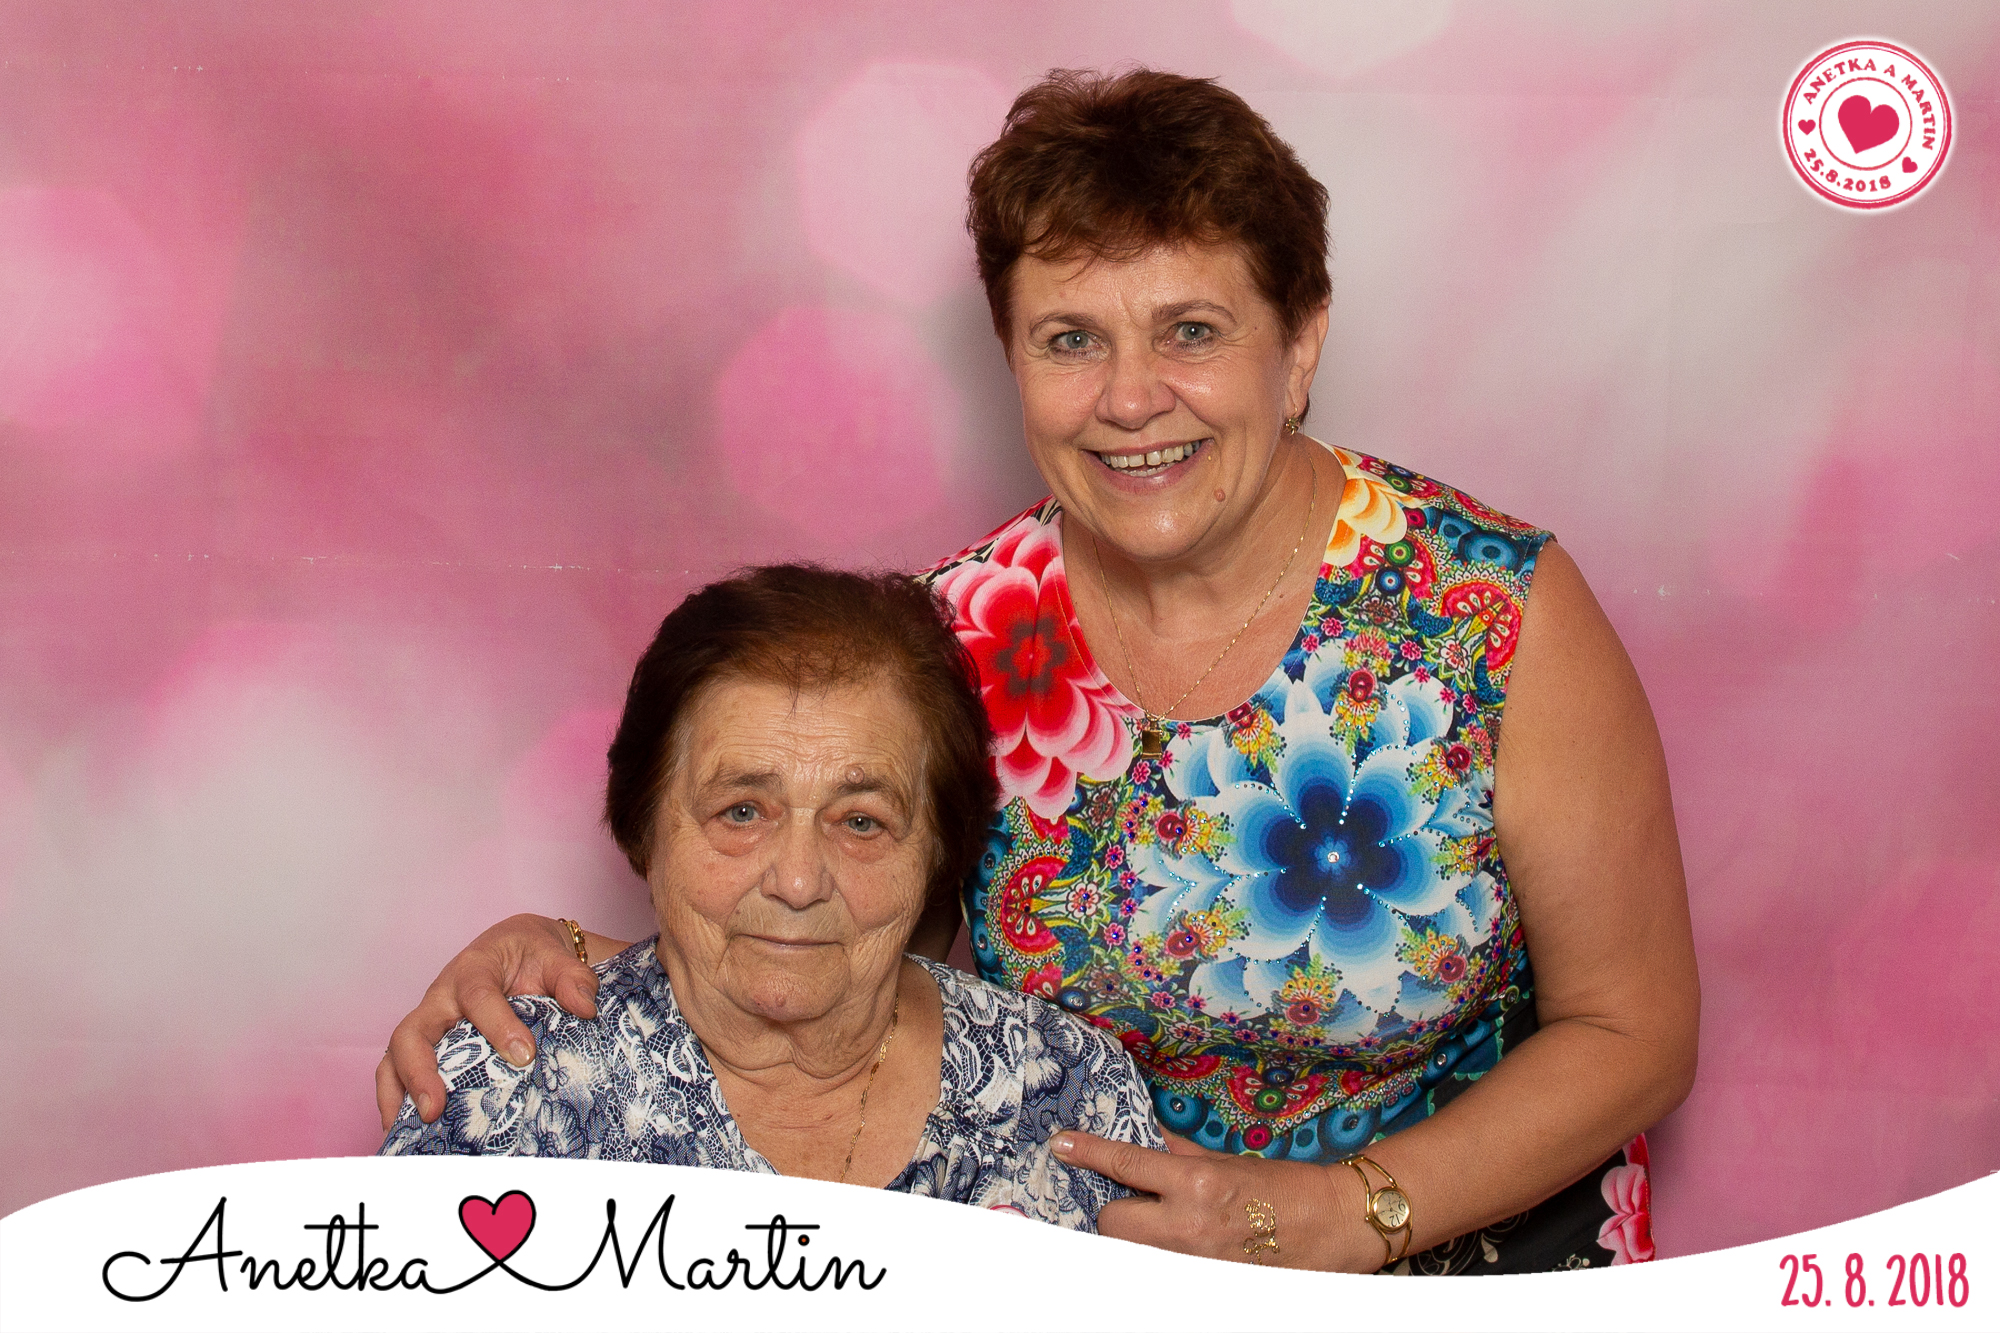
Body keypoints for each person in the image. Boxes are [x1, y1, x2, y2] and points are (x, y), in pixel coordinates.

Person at [378, 69, 1698, 1273]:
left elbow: (1634, 1031)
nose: (1129, 398)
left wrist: (1340, 1213)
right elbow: (842, 955)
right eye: (1070, 339)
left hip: (1472, 1257)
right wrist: (560, 963)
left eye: (1190, 331)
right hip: (1097, 1270)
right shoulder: (954, 640)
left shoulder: (1490, 614)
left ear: (1298, 344)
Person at [380, 565, 1165, 1232]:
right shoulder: (498, 1098)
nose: (796, 880)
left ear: (936, 852)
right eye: (741, 812)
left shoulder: (1068, 1089)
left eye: (861, 821)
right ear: (643, 827)